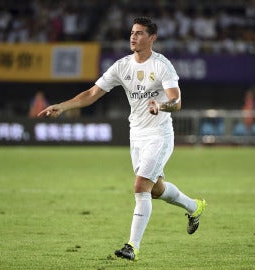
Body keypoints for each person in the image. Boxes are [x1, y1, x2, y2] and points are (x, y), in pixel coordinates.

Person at [38, 17, 206, 261]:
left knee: (140, 187)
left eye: (139, 33)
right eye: (132, 32)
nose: (133, 37)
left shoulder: (162, 66)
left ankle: (132, 247)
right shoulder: (122, 66)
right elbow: (92, 93)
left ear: (152, 38)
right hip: (136, 135)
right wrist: (62, 107)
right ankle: (194, 207)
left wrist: (161, 105)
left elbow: (176, 101)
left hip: (159, 135)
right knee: (156, 189)